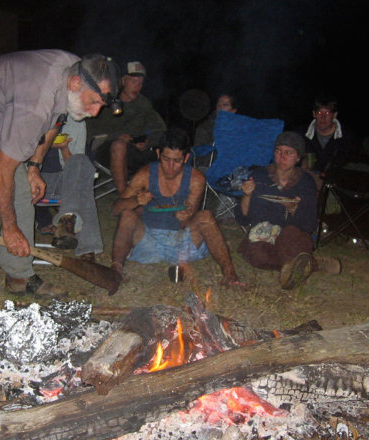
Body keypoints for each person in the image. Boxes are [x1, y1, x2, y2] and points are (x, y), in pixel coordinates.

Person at [0, 50, 118, 321]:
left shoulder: (76, 69)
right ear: (75, 84)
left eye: (101, 105)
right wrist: (10, 229)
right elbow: (0, 172)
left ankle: (20, 276)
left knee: (24, 192)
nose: (96, 112)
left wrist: (35, 167)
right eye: (94, 101)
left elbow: (55, 121)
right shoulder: (37, 99)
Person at [109, 127, 244, 287]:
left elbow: (188, 221)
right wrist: (136, 200)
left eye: (177, 161)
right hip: (148, 240)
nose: (171, 167)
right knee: (127, 215)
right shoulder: (146, 174)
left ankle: (229, 274)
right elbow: (116, 209)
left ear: (186, 158)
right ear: (158, 154)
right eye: (166, 159)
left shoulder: (195, 178)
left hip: (182, 245)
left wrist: (186, 216)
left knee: (206, 216)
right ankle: (115, 271)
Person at [234, 131, 341, 290]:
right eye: (278, 151)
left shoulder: (305, 182)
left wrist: (294, 211)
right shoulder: (259, 176)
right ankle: (311, 264)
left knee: (290, 234)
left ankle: (294, 269)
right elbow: (243, 219)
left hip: (292, 237)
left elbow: (309, 225)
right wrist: (247, 195)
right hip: (265, 235)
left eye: (288, 153)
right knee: (256, 254)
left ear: (298, 158)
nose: (282, 156)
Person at [86, 61, 166, 193]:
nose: (138, 87)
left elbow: (160, 129)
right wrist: (117, 137)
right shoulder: (107, 101)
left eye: (141, 83)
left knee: (168, 148)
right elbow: (91, 131)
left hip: (134, 150)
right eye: (134, 82)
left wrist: (147, 142)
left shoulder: (143, 104)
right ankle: (124, 196)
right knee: (119, 145)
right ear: (123, 80)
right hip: (106, 150)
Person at [38, 115, 103, 261]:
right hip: (36, 180)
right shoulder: (34, 117)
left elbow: (75, 164)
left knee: (82, 160)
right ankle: (86, 246)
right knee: (83, 191)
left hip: (65, 181)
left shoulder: (75, 122)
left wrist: (64, 148)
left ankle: (67, 218)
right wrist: (45, 145)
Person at [300, 94, 360, 189]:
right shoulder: (301, 134)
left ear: (334, 115)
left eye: (327, 113)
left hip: (336, 185)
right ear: (314, 114)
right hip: (307, 183)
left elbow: (357, 164)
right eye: (319, 113)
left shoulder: (347, 137)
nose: (323, 117)